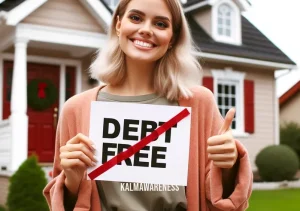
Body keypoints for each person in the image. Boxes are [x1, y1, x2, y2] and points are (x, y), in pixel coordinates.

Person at [43, 0, 253, 210]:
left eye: (160, 24)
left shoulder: (198, 104)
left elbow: (222, 200)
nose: (145, 30)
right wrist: (71, 178)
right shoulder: (77, 109)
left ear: (173, 38)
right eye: (136, 18)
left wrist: (227, 165)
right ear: (118, 25)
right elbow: (65, 203)